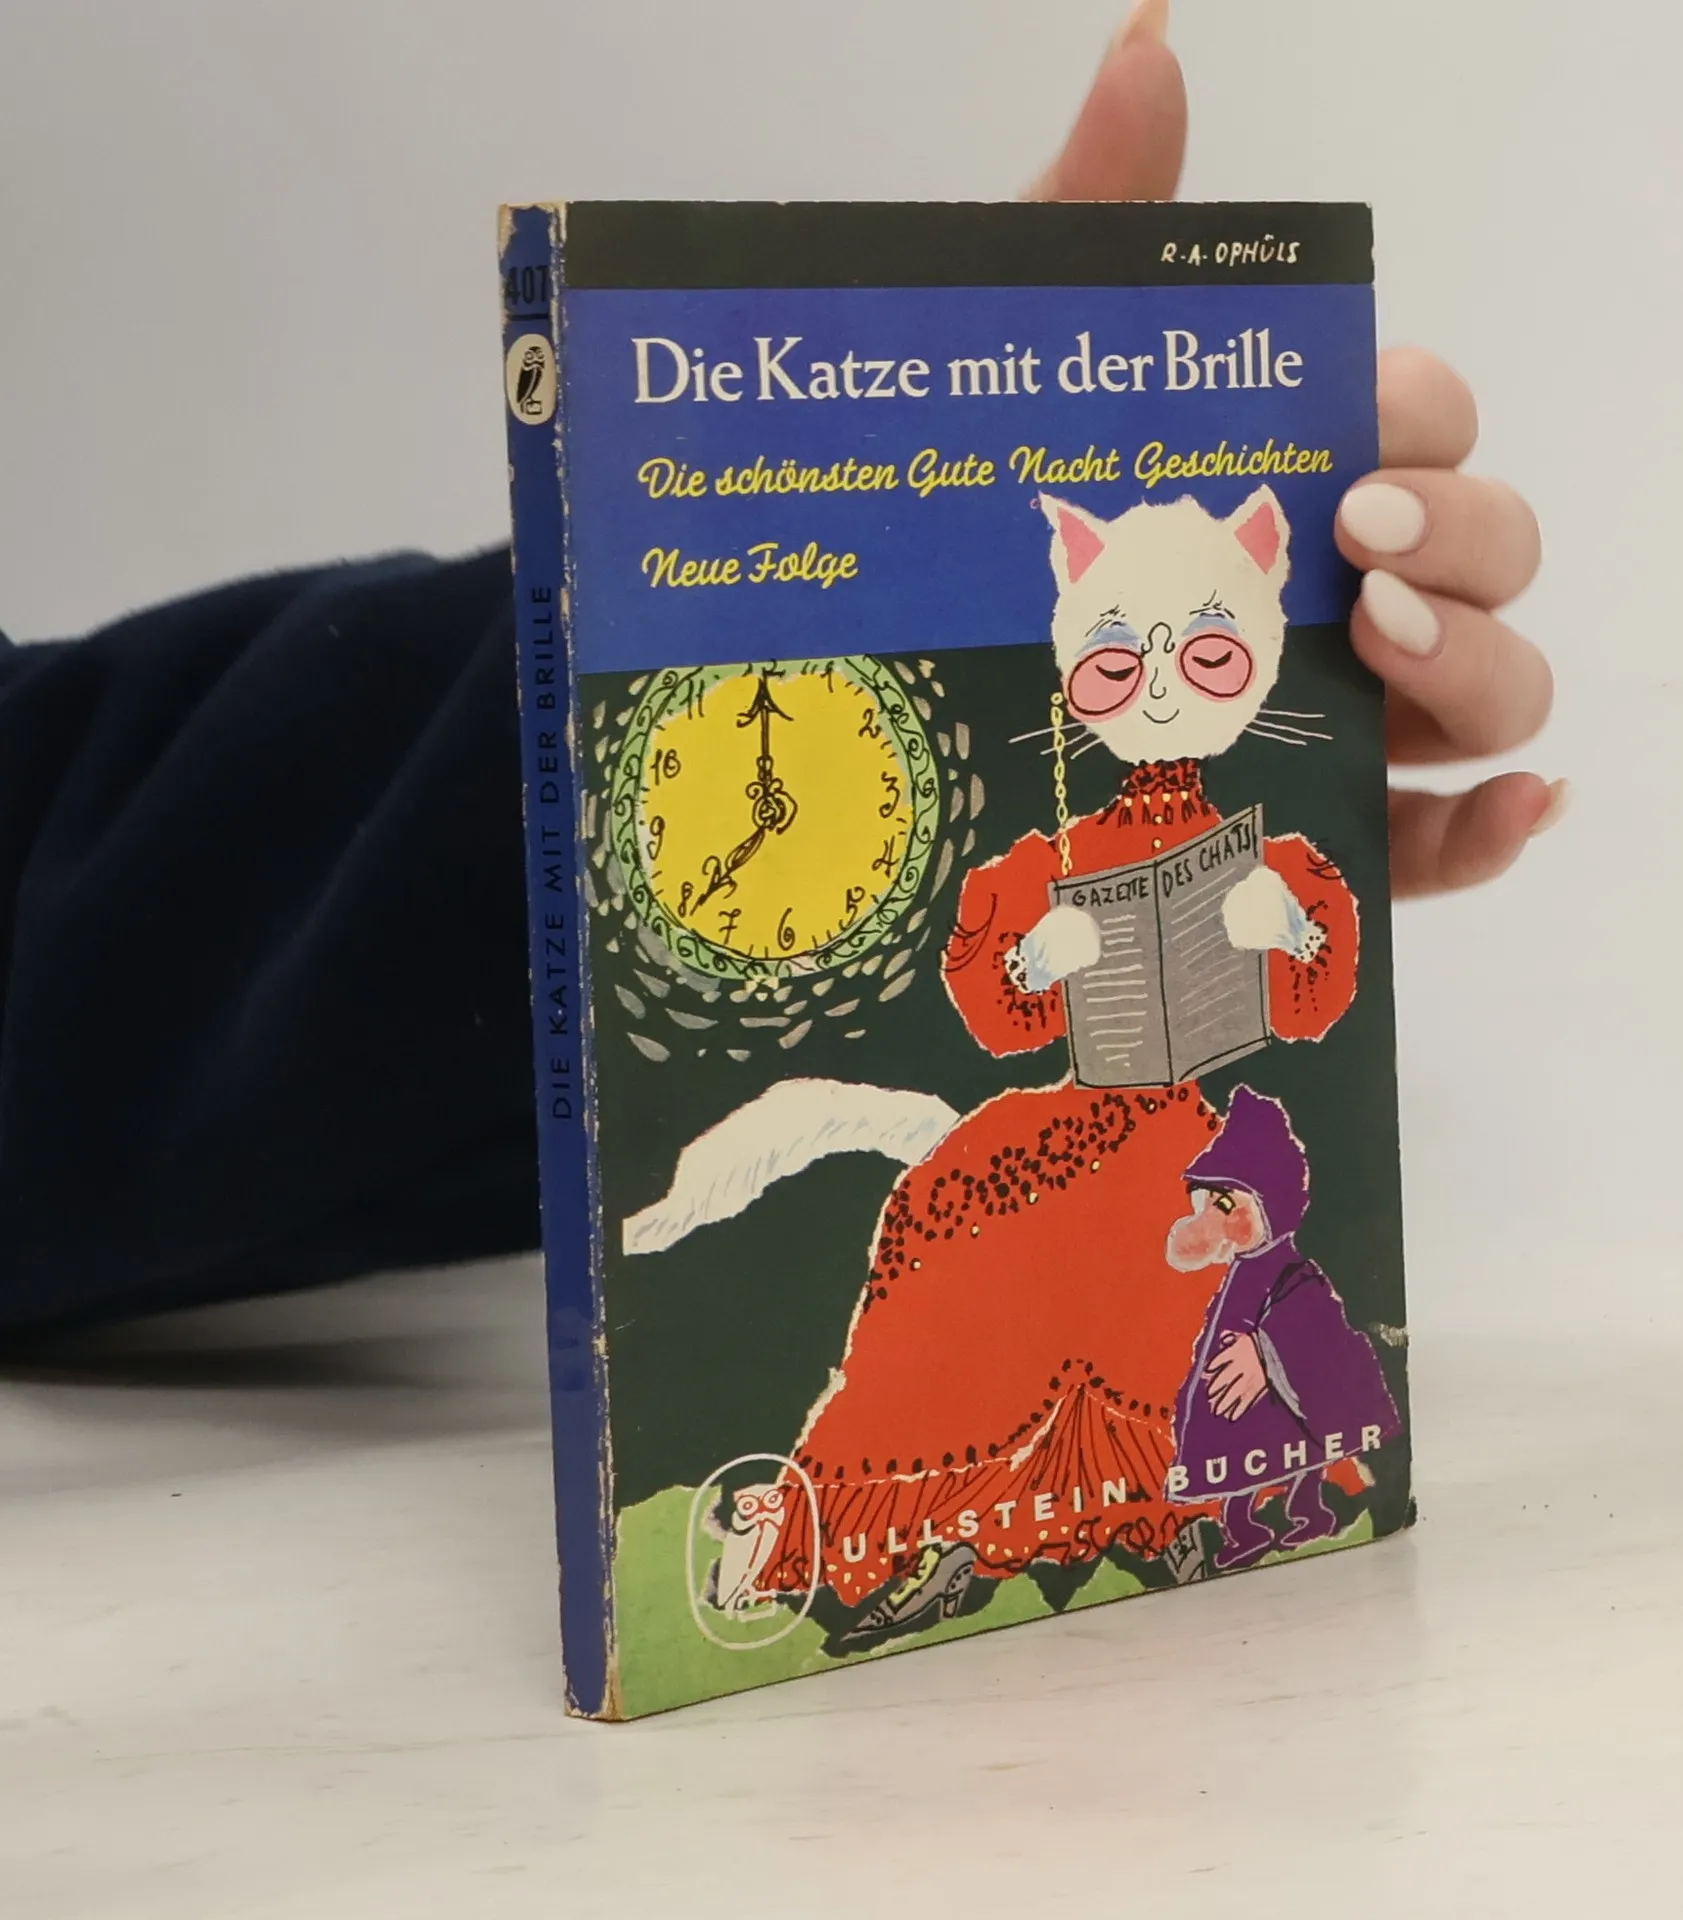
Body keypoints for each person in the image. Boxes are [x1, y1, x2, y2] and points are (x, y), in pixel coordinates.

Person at [0, 0, 1556, 1342]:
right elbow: (991, 1000)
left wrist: (834, 545)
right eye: (1121, 657)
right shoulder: (1040, 859)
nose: (1157, 687)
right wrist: (1034, 954)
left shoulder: (1222, 848)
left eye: (1208, 649)